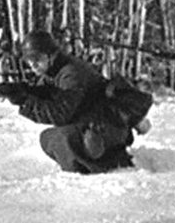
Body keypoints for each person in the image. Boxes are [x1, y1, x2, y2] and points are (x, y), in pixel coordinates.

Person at [12, 29, 136, 174]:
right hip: (100, 123)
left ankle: (105, 159)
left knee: (61, 138)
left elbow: (60, 114)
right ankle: (97, 152)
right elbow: (46, 96)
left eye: (37, 59)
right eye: (28, 61)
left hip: (109, 125)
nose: (33, 65)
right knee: (50, 138)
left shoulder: (70, 73)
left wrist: (25, 103)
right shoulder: (54, 72)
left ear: (50, 55)